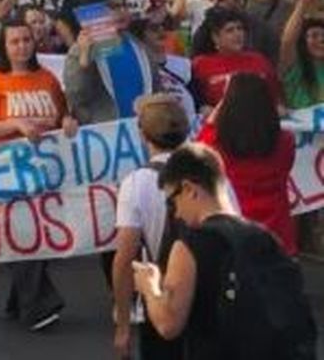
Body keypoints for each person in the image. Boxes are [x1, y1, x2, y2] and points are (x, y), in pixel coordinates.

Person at [133, 143, 318, 359]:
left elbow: (168, 324)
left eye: (171, 202)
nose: (175, 214)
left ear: (190, 189)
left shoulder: (189, 246)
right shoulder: (263, 235)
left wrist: (150, 287)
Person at [0, 16, 79, 332]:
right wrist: (15, 126)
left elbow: (61, 118)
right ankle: (39, 304)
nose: (21, 46)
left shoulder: (47, 78)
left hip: (46, 171)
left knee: (39, 237)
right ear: (3, 47)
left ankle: (18, 301)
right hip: (9, 170)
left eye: (26, 40)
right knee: (24, 234)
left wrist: (69, 123)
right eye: (14, 41)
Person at [110, 94, 190, 360]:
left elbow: (124, 260)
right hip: (212, 299)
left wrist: (123, 325)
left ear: (143, 135)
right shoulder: (212, 174)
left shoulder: (136, 183)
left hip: (162, 299)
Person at [196, 72, 297, 254]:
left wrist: (218, 110)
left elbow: (196, 155)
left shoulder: (214, 143)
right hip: (279, 236)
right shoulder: (286, 140)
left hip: (235, 236)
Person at [190, 6, 282, 110]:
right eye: (230, 30)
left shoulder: (260, 60)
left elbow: (275, 98)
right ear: (215, 37)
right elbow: (196, 103)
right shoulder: (200, 65)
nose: (237, 34)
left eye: (240, 28)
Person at [279, 0, 324, 108]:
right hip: (303, 126)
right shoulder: (295, 65)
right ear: (302, 42)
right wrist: (302, 4)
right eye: (314, 35)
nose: (321, 39)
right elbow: (288, 40)